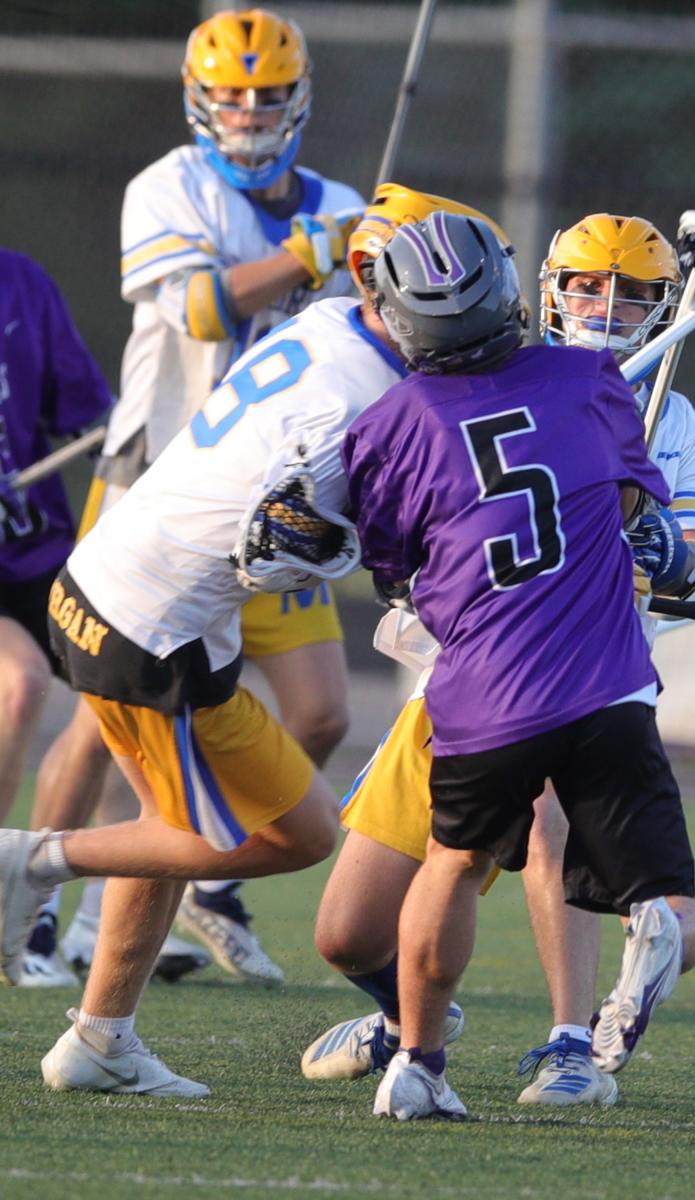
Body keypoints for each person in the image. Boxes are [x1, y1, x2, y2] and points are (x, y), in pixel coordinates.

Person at [303, 214, 695, 1108]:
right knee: (346, 933)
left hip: (534, 674)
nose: (606, 306)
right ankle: (404, 1024)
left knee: (540, 829)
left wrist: (666, 556)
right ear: (533, 291)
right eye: (586, 286)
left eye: (632, 292)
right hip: (466, 681)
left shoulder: (659, 414)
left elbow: (389, 564)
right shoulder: (582, 384)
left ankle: (560, 1042)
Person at [26, 7, 365, 987]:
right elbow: (205, 304)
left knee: (321, 711)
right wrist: (312, 255)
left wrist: (355, 250)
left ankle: (190, 889)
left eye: (268, 96)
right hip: (158, 493)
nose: (250, 114)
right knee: (103, 724)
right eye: (231, 95)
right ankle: (42, 913)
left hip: (282, 507)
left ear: (298, 100)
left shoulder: (339, 198)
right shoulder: (165, 186)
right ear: (197, 99)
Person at [0, 249, 113, 986]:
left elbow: (85, 416)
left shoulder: (21, 281)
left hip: (35, 548)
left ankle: (47, 910)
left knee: (119, 697)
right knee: (22, 684)